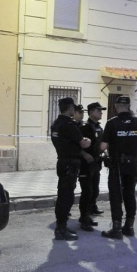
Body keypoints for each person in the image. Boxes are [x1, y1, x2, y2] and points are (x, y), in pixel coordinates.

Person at [99, 96, 137, 239]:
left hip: (117, 165)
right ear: (129, 106)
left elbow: (103, 146)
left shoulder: (112, 123)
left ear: (116, 106)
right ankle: (129, 227)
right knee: (130, 194)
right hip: (132, 164)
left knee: (116, 195)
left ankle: (117, 228)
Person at [50, 97, 92, 240]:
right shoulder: (69, 124)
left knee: (62, 195)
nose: (75, 110)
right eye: (73, 108)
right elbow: (83, 143)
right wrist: (89, 140)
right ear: (69, 108)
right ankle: (61, 229)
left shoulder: (56, 124)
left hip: (62, 161)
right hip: (70, 164)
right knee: (66, 197)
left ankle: (61, 227)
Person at [72, 104, 97, 231]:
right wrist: (84, 154)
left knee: (90, 190)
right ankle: (83, 217)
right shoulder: (72, 127)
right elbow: (74, 145)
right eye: (79, 112)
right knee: (86, 190)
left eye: (82, 112)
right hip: (81, 162)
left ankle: (86, 216)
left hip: (91, 163)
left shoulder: (85, 126)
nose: (82, 114)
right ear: (74, 113)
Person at [83, 102, 107, 219]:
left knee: (95, 188)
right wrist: (85, 155)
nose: (101, 112)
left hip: (97, 161)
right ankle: (85, 213)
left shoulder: (98, 126)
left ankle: (92, 207)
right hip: (87, 162)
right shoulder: (86, 127)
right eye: (99, 110)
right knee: (88, 189)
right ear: (91, 112)